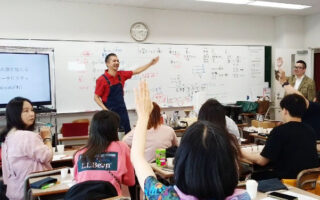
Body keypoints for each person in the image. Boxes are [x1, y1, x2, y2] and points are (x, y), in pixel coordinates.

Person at [130, 81, 250, 200]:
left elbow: (137, 157)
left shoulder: (168, 197)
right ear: (231, 165)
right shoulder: (243, 197)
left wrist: (143, 116)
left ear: (182, 163)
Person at [241, 94, 319, 179]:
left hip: (286, 181)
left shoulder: (279, 131)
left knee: (250, 177)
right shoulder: (310, 130)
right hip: (307, 180)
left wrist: (239, 151)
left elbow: (261, 161)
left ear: (285, 110)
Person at [0, 97, 53, 200]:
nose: (32, 114)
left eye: (32, 110)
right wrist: (47, 138)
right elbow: (47, 157)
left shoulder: (7, 138)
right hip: (34, 191)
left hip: (13, 193)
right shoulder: (27, 136)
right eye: (26, 111)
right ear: (15, 114)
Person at [73, 110, 135, 196]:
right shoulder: (122, 147)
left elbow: (78, 180)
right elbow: (130, 181)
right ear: (114, 130)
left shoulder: (79, 153)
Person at [94, 53, 159, 134]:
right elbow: (96, 97)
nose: (117, 62)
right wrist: (105, 110)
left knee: (127, 134)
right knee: (112, 135)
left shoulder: (121, 75)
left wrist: (150, 64)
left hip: (122, 110)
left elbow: (137, 71)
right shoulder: (101, 79)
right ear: (107, 63)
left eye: (118, 61)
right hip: (109, 113)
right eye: (114, 61)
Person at [280, 69, 320, 140]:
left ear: (315, 99)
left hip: (310, 143)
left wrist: (284, 83)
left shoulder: (316, 108)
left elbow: (301, 98)